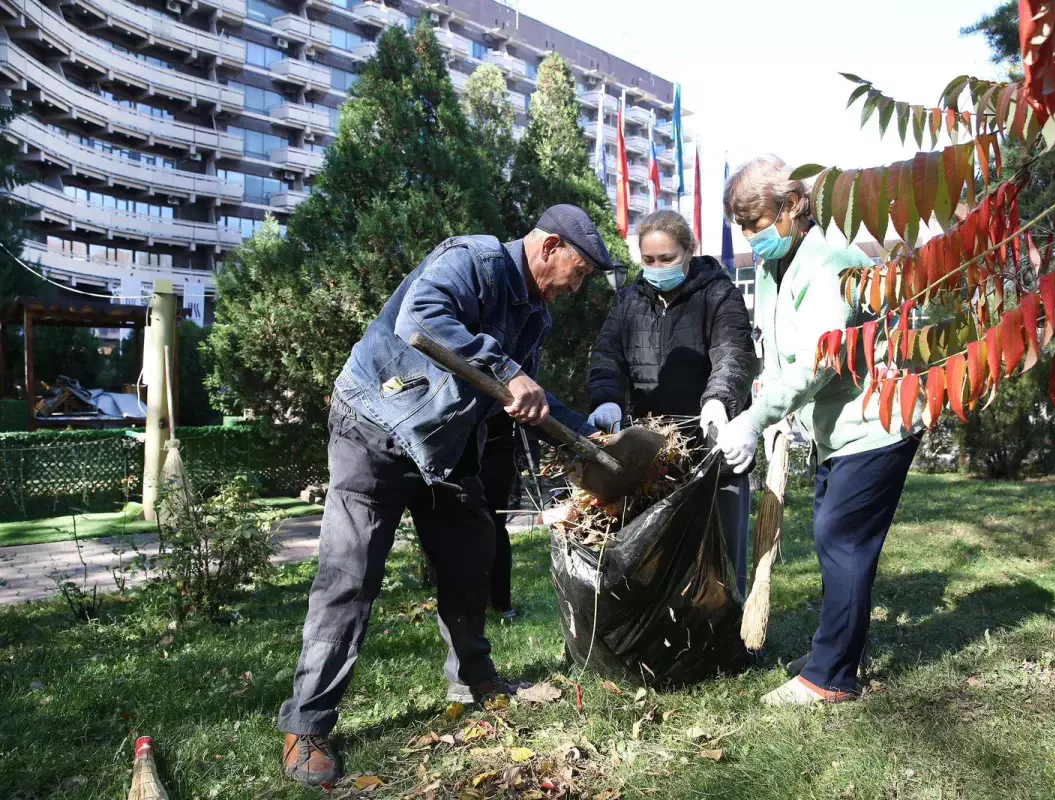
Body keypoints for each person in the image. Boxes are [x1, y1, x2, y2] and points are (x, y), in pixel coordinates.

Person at [278, 205, 613, 787]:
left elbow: (527, 398)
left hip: (444, 446)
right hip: (374, 426)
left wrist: (585, 436)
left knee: (471, 553)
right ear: (549, 246)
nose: (576, 287)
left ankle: (475, 678)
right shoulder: (474, 258)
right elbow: (422, 319)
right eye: (578, 271)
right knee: (350, 572)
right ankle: (306, 724)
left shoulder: (534, 316)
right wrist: (507, 370)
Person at [716, 155, 923, 707]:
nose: (751, 238)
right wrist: (765, 395)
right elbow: (783, 351)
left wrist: (753, 420)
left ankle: (830, 677)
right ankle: (832, 659)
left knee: (842, 540)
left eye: (757, 225)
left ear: (792, 207)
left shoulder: (829, 262)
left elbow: (818, 360)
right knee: (837, 537)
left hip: (879, 421)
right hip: (841, 426)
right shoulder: (772, 267)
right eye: (743, 228)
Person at [587, 209, 756, 594]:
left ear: (689, 251)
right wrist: (607, 399)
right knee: (659, 556)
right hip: (652, 451)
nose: (658, 266)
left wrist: (718, 401)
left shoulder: (719, 295)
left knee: (723, 553)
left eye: (667, 258)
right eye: (649, 260)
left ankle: (733, 632)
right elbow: (607, 357)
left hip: (713, 445)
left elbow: (733, 353)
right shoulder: (628, 302)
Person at [479, 414, 519, 622]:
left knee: (495, 526)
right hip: (455, 443)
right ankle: (470, 604)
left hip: (496, 446)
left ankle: (501, 601)